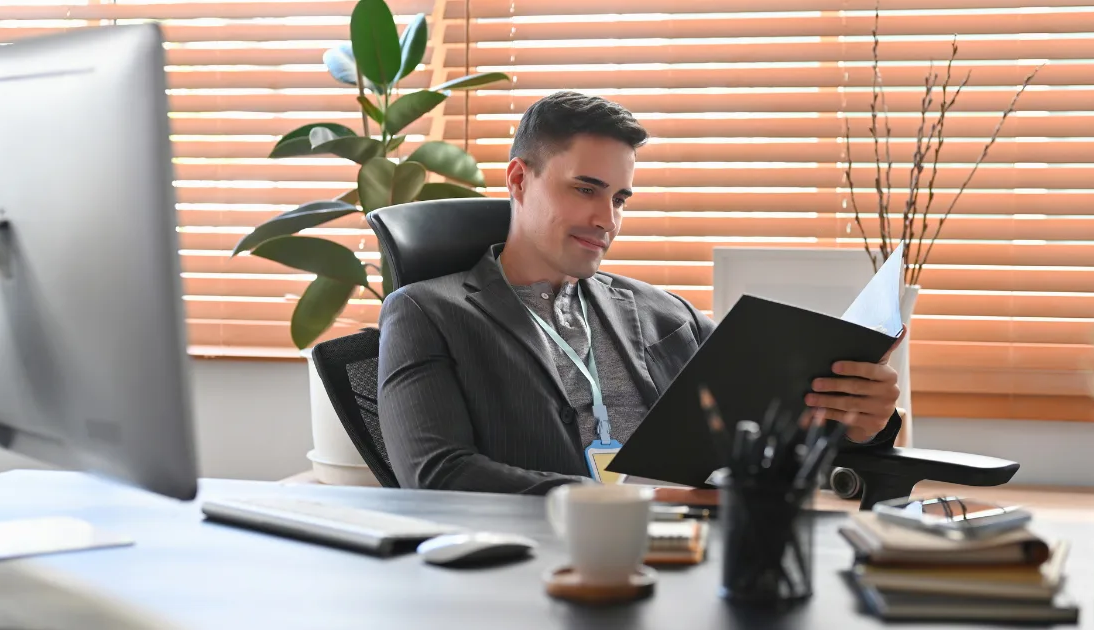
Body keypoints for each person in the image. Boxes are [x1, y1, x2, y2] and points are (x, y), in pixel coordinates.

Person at [376, 91, 902, 494]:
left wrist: (862, 425)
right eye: (586, 189)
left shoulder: (667, 315)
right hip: (536, 572)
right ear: (518, 180)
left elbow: (771, 433)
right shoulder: (427, 313)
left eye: (621, 198)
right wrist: (624, 505)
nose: (606, 219)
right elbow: (438, 474)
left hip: (690, 563)